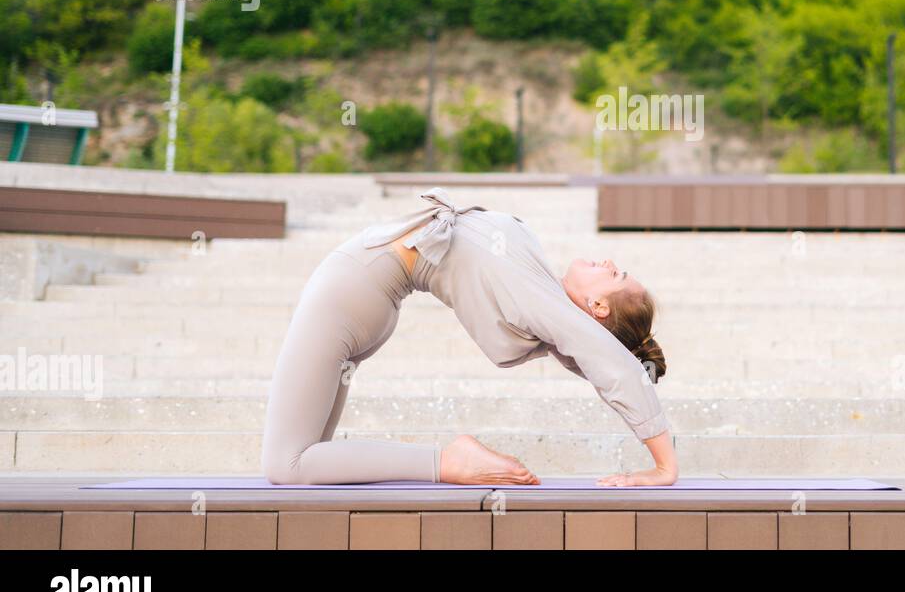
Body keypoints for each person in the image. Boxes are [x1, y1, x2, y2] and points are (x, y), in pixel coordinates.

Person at [261, 188, 676, 487]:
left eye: (615, 274)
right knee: (307, 456)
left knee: (288, 464)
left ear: (598, 307)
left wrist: (664, 468)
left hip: (353, 290)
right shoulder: (542, 291)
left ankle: (446, 462)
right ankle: (444, 462)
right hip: (364, 295)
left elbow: (610, 364)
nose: (608, 262)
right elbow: (587, 355)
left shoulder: (546, 303)